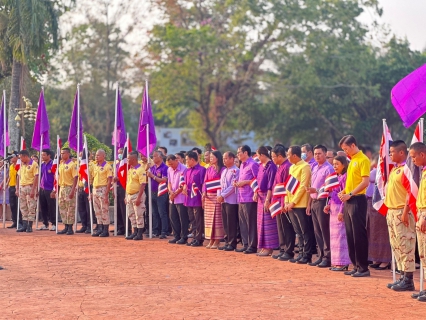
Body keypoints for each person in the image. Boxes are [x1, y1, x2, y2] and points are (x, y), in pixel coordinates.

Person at [384, 141, 416, 291]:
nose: (390, 155)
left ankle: (409, 279)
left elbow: (410, 193)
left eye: (392, 152)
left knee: (406, 246)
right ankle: (402, 275)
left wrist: (405, 211)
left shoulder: (406, 170)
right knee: (396, 245)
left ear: (401, 152)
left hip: (401, 211)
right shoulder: (394, 170)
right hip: (391, 211)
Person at [338, 135, 370, 277]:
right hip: (349, 200)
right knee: (350, 234)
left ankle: (363, 267)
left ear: (353, 145)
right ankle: (355, 265)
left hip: (358, 200)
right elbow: (352, 181)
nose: (345, 152)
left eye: (346, 149)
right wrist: (344, 191)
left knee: (359, 234)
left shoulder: (363, 160)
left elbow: (365, 182)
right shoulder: (351, 161)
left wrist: (350, 193)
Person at [283, 145, 314, 264]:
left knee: (305, 231)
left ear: (295, 156)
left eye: (288, 155)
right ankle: (301, 253)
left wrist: (293, 202)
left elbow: (303, 186)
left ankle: (307, 255)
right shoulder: (291, 168)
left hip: (300, 204)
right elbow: (288, 186)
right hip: (291, 204)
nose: (288, 157)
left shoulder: (305, 166)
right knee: (298, 231)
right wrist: (286, 201)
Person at [306, 145, 334, 268]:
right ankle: (320, 255)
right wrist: (309, 204)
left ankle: (327, 257)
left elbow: (330, 188)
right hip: (314, 201)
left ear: (325, 154)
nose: (317, 156)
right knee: (317, 231)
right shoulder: (314, 167)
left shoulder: (329, 169)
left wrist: (316, 190)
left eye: (320, 153)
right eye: (316, 153)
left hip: (323, 201)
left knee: (324, 230)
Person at [324, 155, 351, 271]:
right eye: (333, 164)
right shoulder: (336, 177)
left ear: (343, 165)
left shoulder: (345, 177)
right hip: (333, 210)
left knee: (341, 237)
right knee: (334, 237)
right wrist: (329, 204)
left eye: (337, 164)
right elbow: (334, 193)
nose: (334, 166)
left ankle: (343, 263)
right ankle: (336, 262)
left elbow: (345, 196)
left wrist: (341, 212)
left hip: (341, 209)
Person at [270, 145, 295, 261]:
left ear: (280, 156)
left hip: (283, 201)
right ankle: (283, 249)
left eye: (274, 157)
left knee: (286, 227)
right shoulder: (280, 166)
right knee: (280, 227)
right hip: (278, 200)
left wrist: (284, 202)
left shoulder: (287, 167)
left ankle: (289, 251)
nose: (273, 159)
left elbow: (287, 187)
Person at [408, 142, 426, 301]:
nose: (412, 160)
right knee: (423, 254)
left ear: (422, 154)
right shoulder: (423, 171)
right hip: (421, 213)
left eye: (414, 157)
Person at [367, 155, 392, 270]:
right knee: (373, 232)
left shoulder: (385, 171)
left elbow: (369, 177)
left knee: (382, 233)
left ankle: (385, 260)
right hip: (370, 202)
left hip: (382, 203)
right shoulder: (374, 170)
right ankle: (376, 258)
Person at [234, 145, 259, 254]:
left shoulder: (253, 164)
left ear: (245, 153)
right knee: (243, 222)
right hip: (241, 197)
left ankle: (252, 245)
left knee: (251, 223)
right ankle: (245, 244)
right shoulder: (242, 165)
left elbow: (257, 180)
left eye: (239, 152)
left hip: (250, 197)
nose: (238, 154)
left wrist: (245, 182)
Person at [254, 146, 278, 257]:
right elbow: (257, 181)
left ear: (263, 155)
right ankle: (263, 246)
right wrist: (255, 192)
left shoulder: (271, 167)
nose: (257, 157)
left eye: (258, 155)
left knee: (268, 223)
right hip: (260, 196)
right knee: (260, 223)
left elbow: (271, 185)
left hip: (267, 196)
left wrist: (268, 200)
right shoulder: (260, 166)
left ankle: (269, 247)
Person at [202, 150, 225, 249]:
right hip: (209, 197)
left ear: (218, 158)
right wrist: (204, 192)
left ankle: (217, 240)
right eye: (210, 157)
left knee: (217, 219)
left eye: (212, 157)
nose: (210, 159)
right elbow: (205, 182)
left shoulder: (222, 169)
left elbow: (223, 183)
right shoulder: (209, 169)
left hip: (217, 196)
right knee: (208, 219)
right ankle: (211, 239)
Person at [183, 151, 206, 247]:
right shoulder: (187, 170)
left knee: (198, 219)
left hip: (197, 199)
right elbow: (184, 182)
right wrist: (183, 186)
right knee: (192, 219)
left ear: (192, 159)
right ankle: (194, 237)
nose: (186, 161)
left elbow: (203, 184)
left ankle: (199, 238)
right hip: (188, 198)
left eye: (187, 159)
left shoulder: (202, 170)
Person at [218, 151, 240, 251]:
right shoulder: (224, 171)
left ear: (232, 159)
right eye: (223, 158)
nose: (224, 160)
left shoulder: (236, 170)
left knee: (231, 222)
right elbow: (221, 185)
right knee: (225, 222)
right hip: (223, 200)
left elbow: (232, 186)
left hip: (232, 200)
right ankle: (227, 241)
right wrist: (219, 195)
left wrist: (222, 195)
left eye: (226, 158)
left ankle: (232, 243)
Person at [54, 148, 78, 235]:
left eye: (63, 153)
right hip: (62, 188)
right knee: (62, 208)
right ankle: (65, 226)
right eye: (61, 153)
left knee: (70, 208)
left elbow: (75, 177)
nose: (62, 155)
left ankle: (70, 227)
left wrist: (72, 190)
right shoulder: (60, 164)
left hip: (69, 187)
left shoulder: (72, 165)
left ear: (68, 154)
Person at [167, 154, 189, 244]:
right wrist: (170, 191)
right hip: (172, 197)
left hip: (181, 197)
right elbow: (169, 182)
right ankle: (176, 236)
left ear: (176, 160)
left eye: (172, 164)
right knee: (173, 217)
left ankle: (184, 237)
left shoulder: (184, 169)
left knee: (182, 218)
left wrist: (175, 193)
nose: (171, 166)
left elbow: (183, 183)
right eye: (169, 164)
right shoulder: (169, 169)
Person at [125, 151, 147, 240]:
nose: (127, 160)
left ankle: (139, 234)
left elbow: (143, 184)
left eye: (128, 158)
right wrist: (126, 196)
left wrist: (139, 198)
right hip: (129, 195)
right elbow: (128, 183)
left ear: (133, 159)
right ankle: (135, 232)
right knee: (131, 215)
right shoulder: (130, 169)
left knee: (139, 215)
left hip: (138, 195)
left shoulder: (141, 170)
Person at [147, 150, 169, 238]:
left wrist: (153, 176)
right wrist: (147, 169)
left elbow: (163, 180)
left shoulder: (165, 168)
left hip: (161, 193)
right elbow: (147, 176)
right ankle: (156, 230)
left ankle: (164, 231)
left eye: (155, 156)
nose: (153, 158)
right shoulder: (152, 167)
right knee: (154, 213)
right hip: (152, 192)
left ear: (160, 157)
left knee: (162, 213)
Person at [91, 149, 113, 237]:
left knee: (104, 210)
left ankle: (105, 230)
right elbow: (93, 179)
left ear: (104, 156)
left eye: (98, 155)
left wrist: (106, 193)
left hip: (103, 189)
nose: (96, 157)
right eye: (96, 155)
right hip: (95, 189)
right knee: (97, 211)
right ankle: (99, 228)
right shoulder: (95, 166)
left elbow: (109, 180)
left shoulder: (107, 166)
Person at [16, 150, 39, 233]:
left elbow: (36, 177)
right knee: (23, 207)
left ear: (25, 156)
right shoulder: (22, 165)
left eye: (21, 157)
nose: (20, 159)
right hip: (22, 187)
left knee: (31, 207)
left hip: (30, 187)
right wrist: (17, 188)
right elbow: (18, 176)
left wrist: (33, 189)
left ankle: (29, 226)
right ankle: (24, 226)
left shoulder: (34, 164)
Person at [77, 151, 95, 234]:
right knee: (81, 209)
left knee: (89, 209)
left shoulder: (92, 166)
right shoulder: (79, 165)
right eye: (80, 156)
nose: (80, 157)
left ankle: (89, 226)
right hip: (81, 188)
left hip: (88, 187)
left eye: (82, 156)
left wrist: (92, 191)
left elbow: (94, 178)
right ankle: (84, 225)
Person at [38, 149, 56, 231]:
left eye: (44, 155)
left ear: (49, 156)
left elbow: (55, 177)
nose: (42, 156)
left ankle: (54, 223)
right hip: (42, 188)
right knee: (43, 207)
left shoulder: (53, 164)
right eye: (42, 155)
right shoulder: (42, 165)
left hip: (50, 189)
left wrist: (54, 189)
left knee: (51, 207)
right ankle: (45, 223)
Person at [7, 152, 22, 229]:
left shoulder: (19, 166)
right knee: (12, 205)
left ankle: (20, 222)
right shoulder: (11, 166)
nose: (11, 158)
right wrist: (7, 184)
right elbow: (10, 176)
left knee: (18, 205)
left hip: (18, 187)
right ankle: (15, 221)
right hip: (11, 186)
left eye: (12, 157)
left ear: (17, 157)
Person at [0, 157, 9, 222]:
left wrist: (2, 184)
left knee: (4, 202)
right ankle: (0, 215)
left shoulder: (7, 169)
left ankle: (4, 216)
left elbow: (7, 177)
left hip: (4, 186)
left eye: (1, 161)